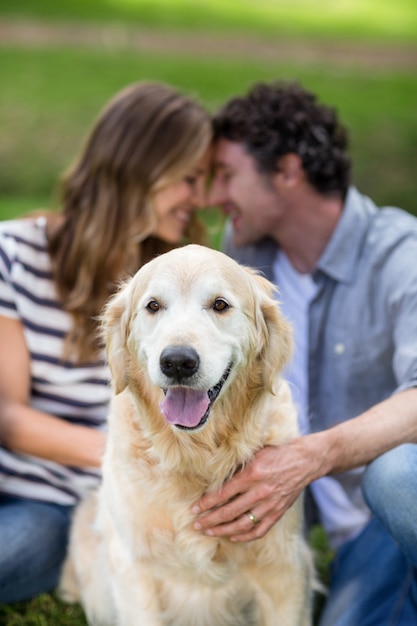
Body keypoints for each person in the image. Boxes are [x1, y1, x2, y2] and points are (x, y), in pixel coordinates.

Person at [192, 80, 417, 625]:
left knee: (396, 475)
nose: (212, 196)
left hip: (399, 510)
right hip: (356, 543)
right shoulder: (241, 260)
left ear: (288, 171)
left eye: (227, 175)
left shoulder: (400, 253)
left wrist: (313, 456)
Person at [0, 80, 212, 604]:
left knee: (24, 546)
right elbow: (9, 416)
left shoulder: (175, 284)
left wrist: (137, 467)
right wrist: (129, 453)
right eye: (189, 178)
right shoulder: (14, 252)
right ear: (139, 170)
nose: (202, 198)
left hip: (62, 504)